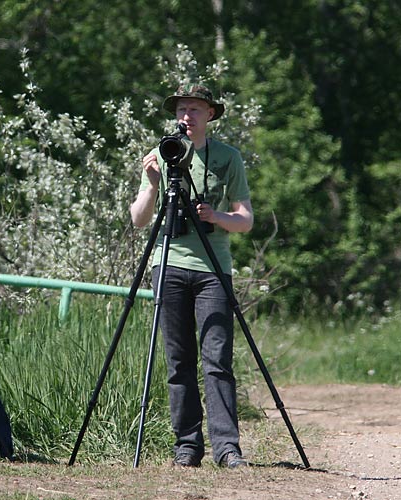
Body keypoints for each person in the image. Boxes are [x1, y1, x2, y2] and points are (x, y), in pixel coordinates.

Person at [130, 84, 254, 468]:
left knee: (217, 359)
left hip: (213, 270)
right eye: (182, 109)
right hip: (168, 266)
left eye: (195, 110)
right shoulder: (162, 154)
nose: (187, 116)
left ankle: (226, 448)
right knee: (177, 359)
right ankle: (187, 445)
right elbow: (138, 219)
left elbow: (246, 220)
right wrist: (152, 184)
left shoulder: (227, 158)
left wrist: (215, 216)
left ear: (211, 115)